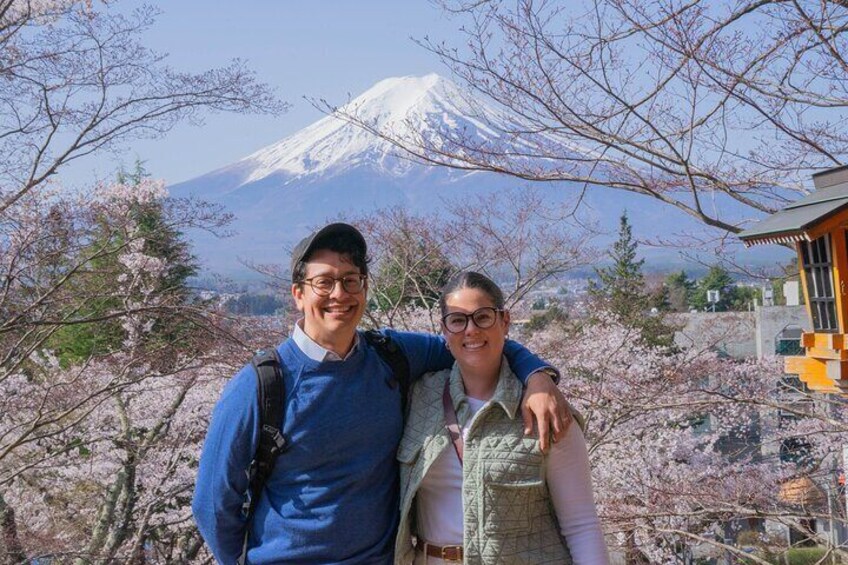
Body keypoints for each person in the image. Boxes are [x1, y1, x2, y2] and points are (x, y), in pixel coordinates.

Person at [192, 223, 570, 564]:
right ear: (298, 295)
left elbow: (474, 343)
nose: (339, 293)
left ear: (365, 288)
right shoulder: (260, 386)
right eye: (324, 282)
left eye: (351, 280)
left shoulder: (392, 356)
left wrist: (537, 376)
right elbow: (213, 505)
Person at [395, 271, 609, 565]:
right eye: (457, 320)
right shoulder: (420, 398)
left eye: (482, 317)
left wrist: (537, 377)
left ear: (504, 321)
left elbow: (581, 524)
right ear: (444, 331)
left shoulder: (545, 409)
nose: (470, 330)